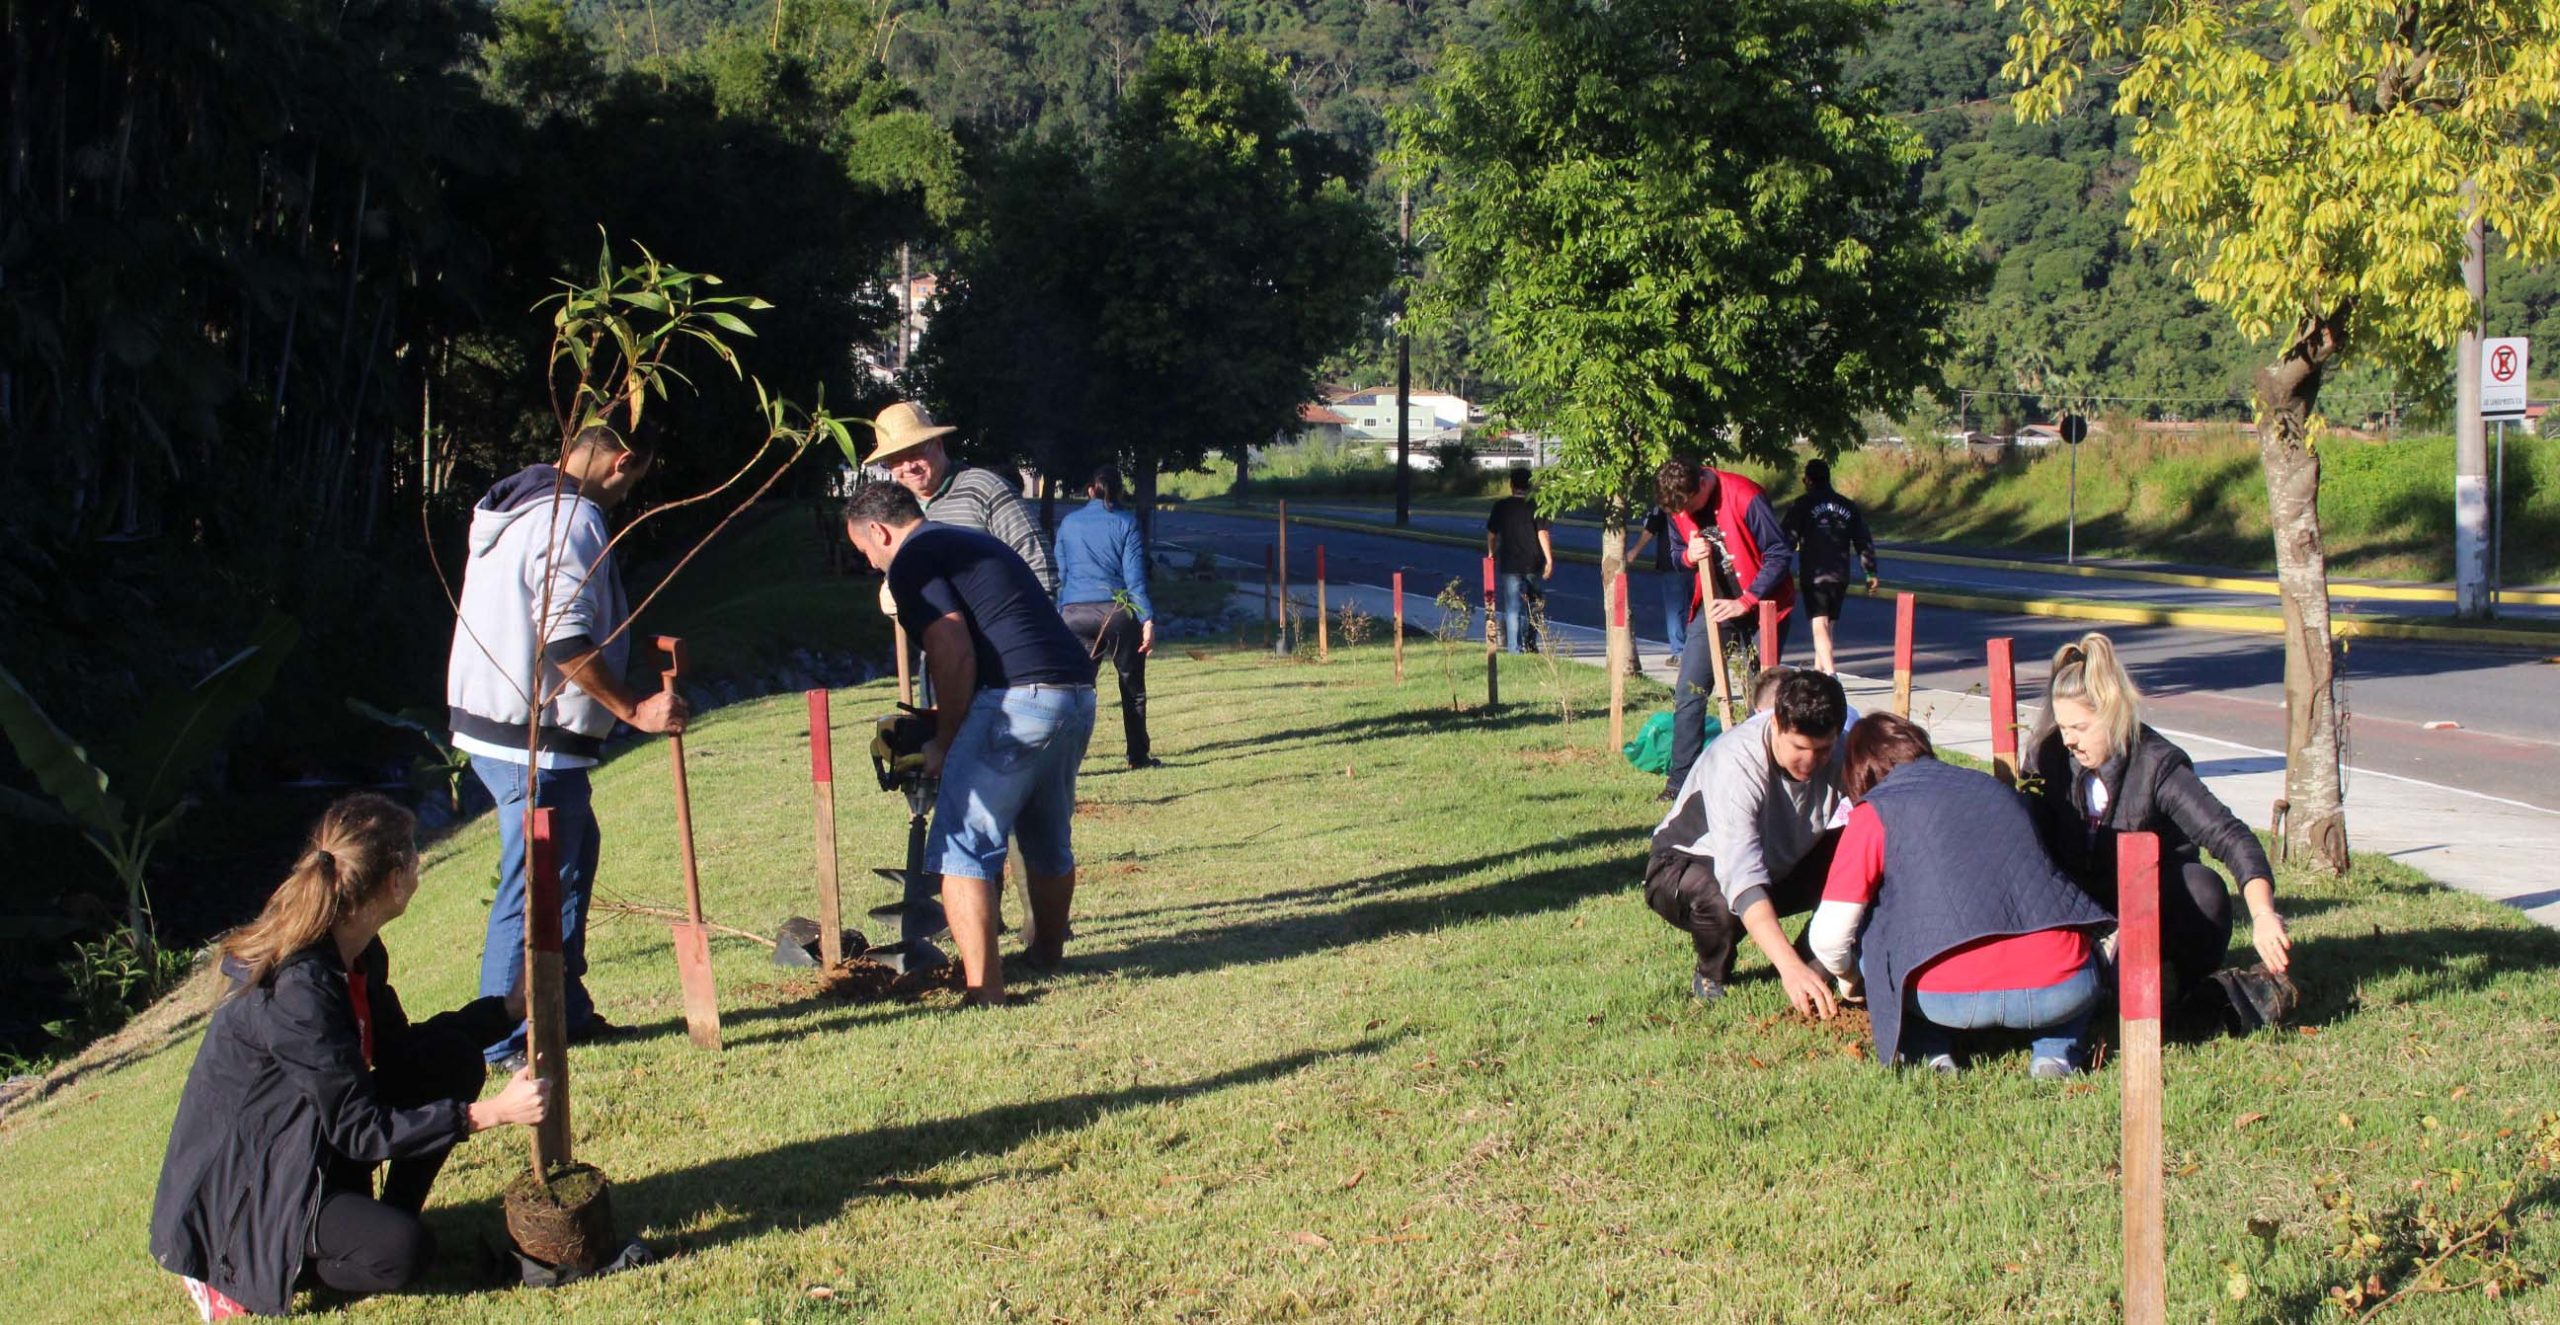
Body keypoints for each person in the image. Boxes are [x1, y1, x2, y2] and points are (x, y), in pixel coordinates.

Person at [152, 795, 551, 1318]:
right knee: (403, 1255)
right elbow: (361, 1130)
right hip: (252, 1187)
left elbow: (401, 1052)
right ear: (391, 882)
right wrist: (491, 1113)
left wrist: (505, 1010)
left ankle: (381, 1219)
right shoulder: (300, 992)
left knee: (450, 1059)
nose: (419, 867)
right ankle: (250, 1269)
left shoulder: (357, 952)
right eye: (412, 856)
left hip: (310, 1140)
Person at [445, 422, 687, 1071]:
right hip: (533, 734)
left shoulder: (521, 508)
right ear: (623, 461)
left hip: (503, 722)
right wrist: (634, 708)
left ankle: (563, 1007)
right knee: (534, 878)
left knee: (575, 851)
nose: (626, 496)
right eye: (634, 481)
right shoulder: (572, 518)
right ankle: (504, 1039)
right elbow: (565, 640)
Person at [844, 483, 1097, 1004]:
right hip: (1074, 693)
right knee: (1046, 838)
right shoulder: (964, 541)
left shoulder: (911, 560)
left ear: (879, 530)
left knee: (962, 847)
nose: (871, 564)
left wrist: (946, 738)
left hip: (1018, 701)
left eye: (865, 551)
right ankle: (1046, 956)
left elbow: (950, 645)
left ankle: (985, 992)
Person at [1808, 715, 2116, 1076]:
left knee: (1872, 926)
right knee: (2076, 969)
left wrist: (1854, 981)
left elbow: (1829, 936)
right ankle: (2056, 1050)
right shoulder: (1994, 788)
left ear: (1859, 771)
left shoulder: (1874, 812)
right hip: (2061, 987)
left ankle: (1930, 1050)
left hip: (1944, 997)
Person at [2022, 632, 2297, 1031]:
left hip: (2149, 907)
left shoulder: (2158, 764)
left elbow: (2231, 836)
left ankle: (2170, 980)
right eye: (2062, 727)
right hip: (2076, 907)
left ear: (2112, 712)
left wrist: (2264, 914)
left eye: (2079, 727)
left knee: (2203, 888)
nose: (2068, 740)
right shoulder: (2050, 757)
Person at [1642, 670, 1850, 1014]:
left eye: (1823, 750)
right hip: (1683, 867)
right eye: (1799, 747)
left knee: (1863, 855)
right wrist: (1788, 968)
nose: (1811, 761)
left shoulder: (1842, 749)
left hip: (1775, 865)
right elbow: (1742, 877)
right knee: (1721, 899)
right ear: (1777, 724)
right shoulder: (1736, 762)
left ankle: (1813, 963)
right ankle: (1712, 974)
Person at [1655, 458, 1798, 800]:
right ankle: (1680, 783)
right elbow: (1674, 555)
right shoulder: (1678, 508)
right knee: (1690, 691)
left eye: (1690, 505)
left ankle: (1757, 779)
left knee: (1759, 698)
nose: (1685, 513)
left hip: (1763, 606)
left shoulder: (1745, 495)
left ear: (1702, 484)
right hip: (1715, 606)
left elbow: (1779, 553)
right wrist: (1689, 555)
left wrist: (1747, 601)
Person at [867, 400, 1058, 595]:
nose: (908, 467)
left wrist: (1034, 621)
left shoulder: (986, 489)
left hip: (996, 622)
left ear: (938, 445)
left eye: (916, 453)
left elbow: (1039, 564)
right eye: (896, 460)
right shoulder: (897, 508)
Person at [1055, 466, 1158, 769]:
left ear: (1089, 490)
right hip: (1115, 611)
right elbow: (1135, 578)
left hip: (1074, 612)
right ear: (1119, 492)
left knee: (1076, 689)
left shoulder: (1068, 523)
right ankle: (1138, 756)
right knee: (1132, 686)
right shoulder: (1127, 523)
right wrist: (1147, 618)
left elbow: (1062, 574)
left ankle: (1065, 759)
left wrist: (1061, 609)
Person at [1780, 458, 1880, 676]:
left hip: (1814, 575)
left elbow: (1786, 539)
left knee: (1819, 625)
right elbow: (1863, 540)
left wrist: (1777, 567)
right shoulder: (1847, 505)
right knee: (1828, 625)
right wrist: (1870, 571)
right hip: (1840, 574)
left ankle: (1831, 675)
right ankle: (1819, 672)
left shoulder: (1802, 505)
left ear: (1807, 480)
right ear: (1828, 478)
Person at [1485, 466, 1555, 654]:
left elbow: (1492, 535)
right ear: (1530, 485)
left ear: (1511, 484)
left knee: (1512, 607)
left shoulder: (1501, 506)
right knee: (1535, 604)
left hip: (1509, 563)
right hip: (1533, 562)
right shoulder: (1536, 505)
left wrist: (1491, 554)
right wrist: (1549, 559)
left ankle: (1514, 649)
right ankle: (1530, 642)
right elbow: (1543, 533)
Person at [1624, 503, 1687, 668]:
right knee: (1696, 608)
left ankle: (1680, 652)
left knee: (1676, 609)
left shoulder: (1665, 499)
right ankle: (1701, 650)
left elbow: (1651, 527)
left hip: (1673, 560)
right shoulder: (1697, 492)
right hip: (1697, 560)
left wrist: (1634, 551)